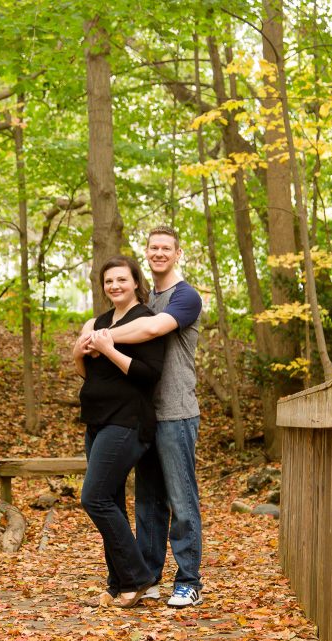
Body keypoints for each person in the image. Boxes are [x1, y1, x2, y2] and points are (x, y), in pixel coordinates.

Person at [85, 227, 204, 608]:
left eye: (166, 247)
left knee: (181, 500)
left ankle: (188, 581)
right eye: (153, 248)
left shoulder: (185, 296)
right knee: (148, 502)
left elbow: (152, 328)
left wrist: (102, 337)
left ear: (178, 253)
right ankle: (149, 578)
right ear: (147, 253)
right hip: (145, 414)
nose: (159, 253)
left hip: (177, 411)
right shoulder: (149, 298)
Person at [73, 255, 167, 608]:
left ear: (135, 282)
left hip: (128, 420)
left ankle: (138, 577)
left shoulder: (146, 320)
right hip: (96, 420)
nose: (115, 285)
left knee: (94, 497)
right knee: (110, 500)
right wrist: (77, 353)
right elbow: (88, 374)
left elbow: (149, 375)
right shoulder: (96, 322)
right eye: (109, 281)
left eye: (121, 279)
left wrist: (108, 350)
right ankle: (118, 583)